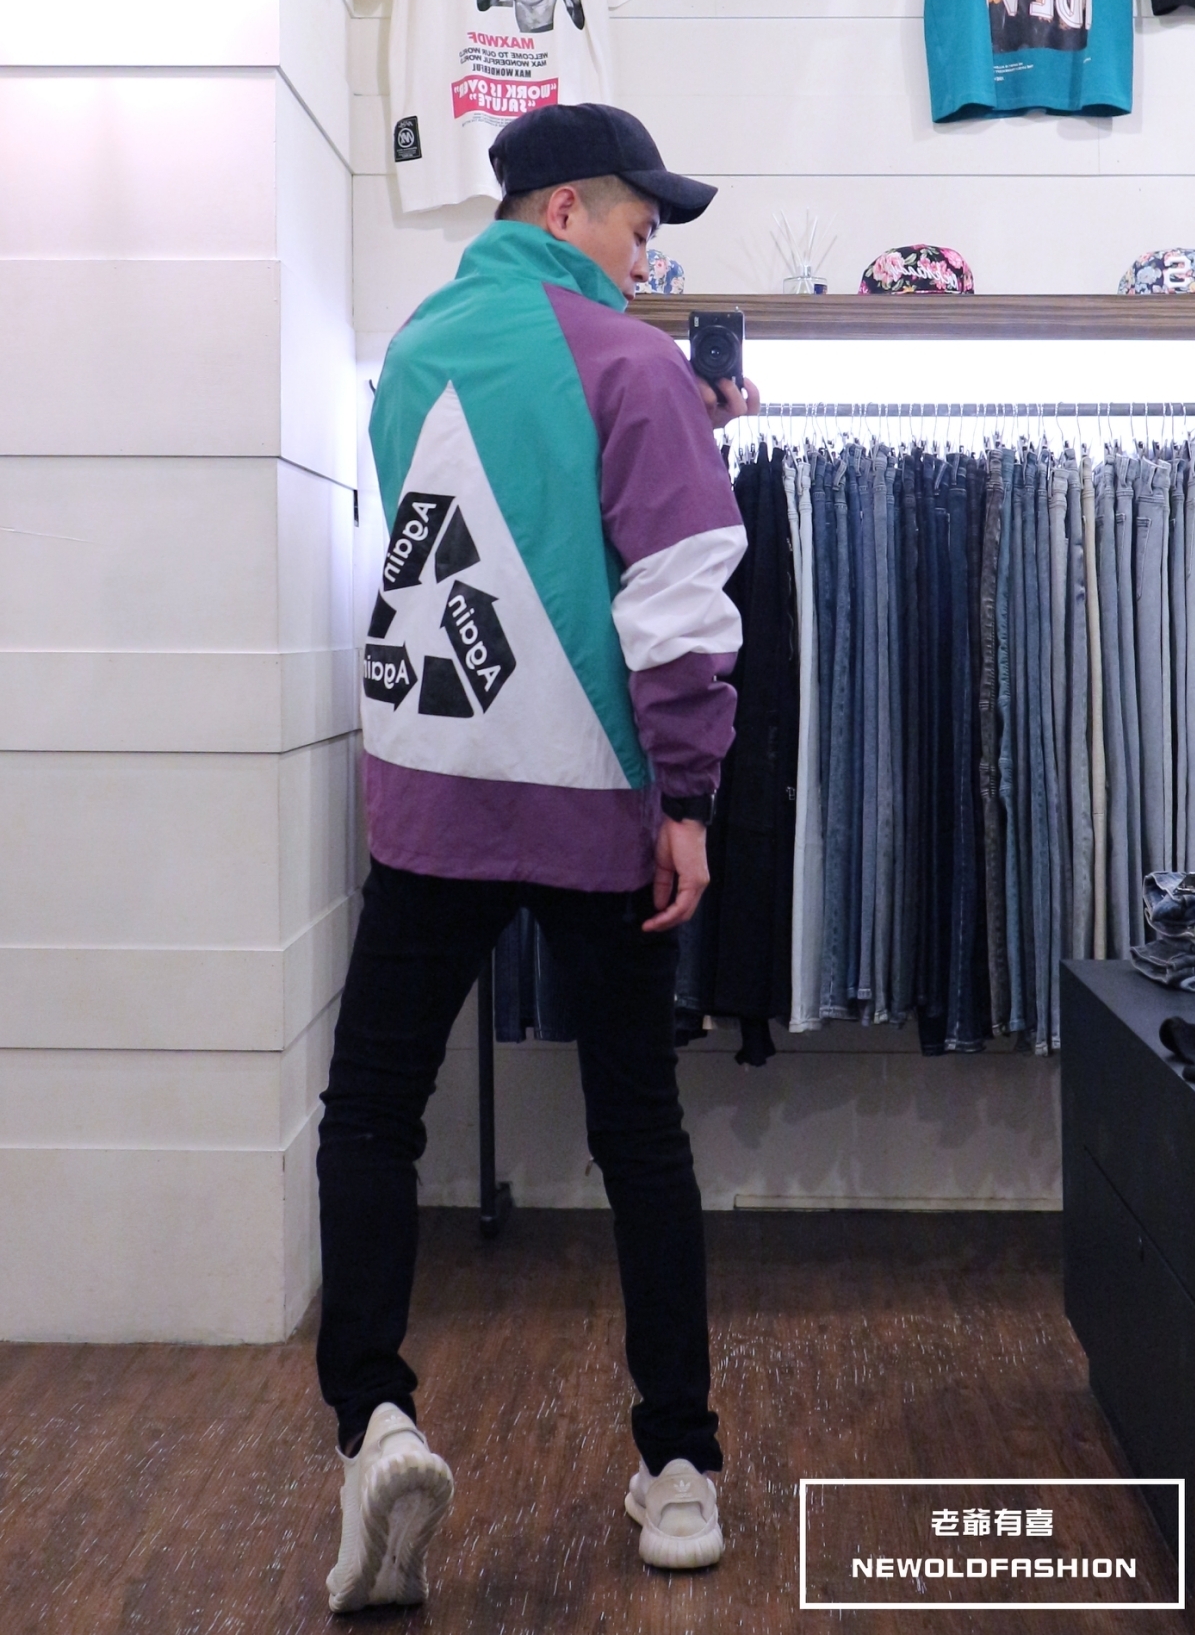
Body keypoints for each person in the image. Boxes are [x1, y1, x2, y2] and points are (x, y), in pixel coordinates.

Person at [316, 102, 759, 1613]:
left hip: (430, 793)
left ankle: (374, 1424)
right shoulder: (632, 366)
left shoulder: (410, 355)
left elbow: (476, 543)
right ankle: (678, 1465)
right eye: (640, 224)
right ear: (565, 209)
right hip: (588, 802)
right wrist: (686, 798)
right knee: (639, 1131)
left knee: (371, 1112)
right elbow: (675, 599)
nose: (651, 255)